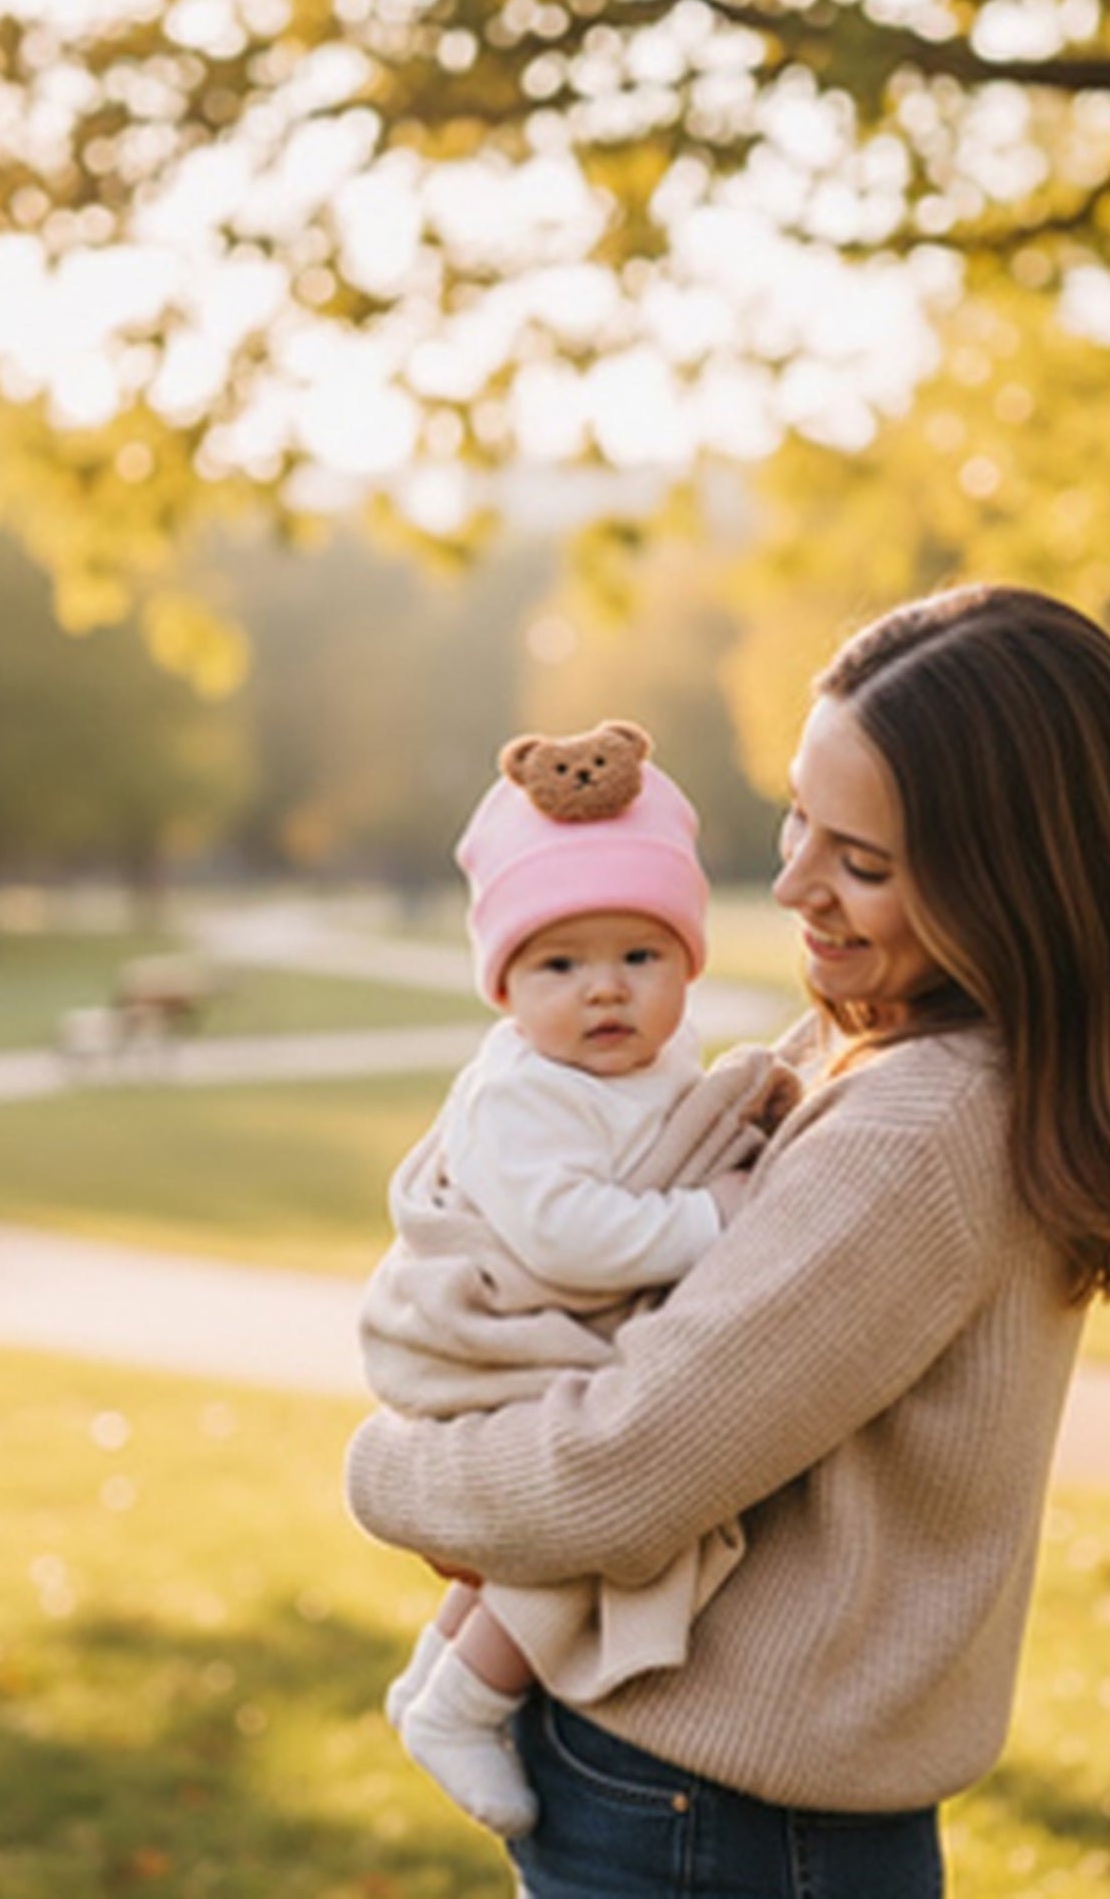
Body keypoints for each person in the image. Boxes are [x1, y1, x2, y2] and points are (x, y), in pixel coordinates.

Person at [347, 585, 1110, 1896]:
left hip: (713, 1814)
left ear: (1014, 882)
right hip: (721, 1795)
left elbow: (626, 1466)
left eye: (861, 862)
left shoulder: (922, 1125)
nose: (789, 884)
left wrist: (389, 1472)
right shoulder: (879, 1044)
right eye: (796, 819)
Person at [359, 721, 799, 1839]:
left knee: (570, 1495)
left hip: (551, 1320)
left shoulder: (644, 1063)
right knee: (587, 1511)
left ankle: (428, 1674)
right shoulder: (520, 1092)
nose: (604, 990)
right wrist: (708, 1219)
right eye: (560, 963)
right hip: (493, 1323)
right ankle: (466, 1699)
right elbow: (562, 1237)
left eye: (638, 957)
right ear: (503, 983)